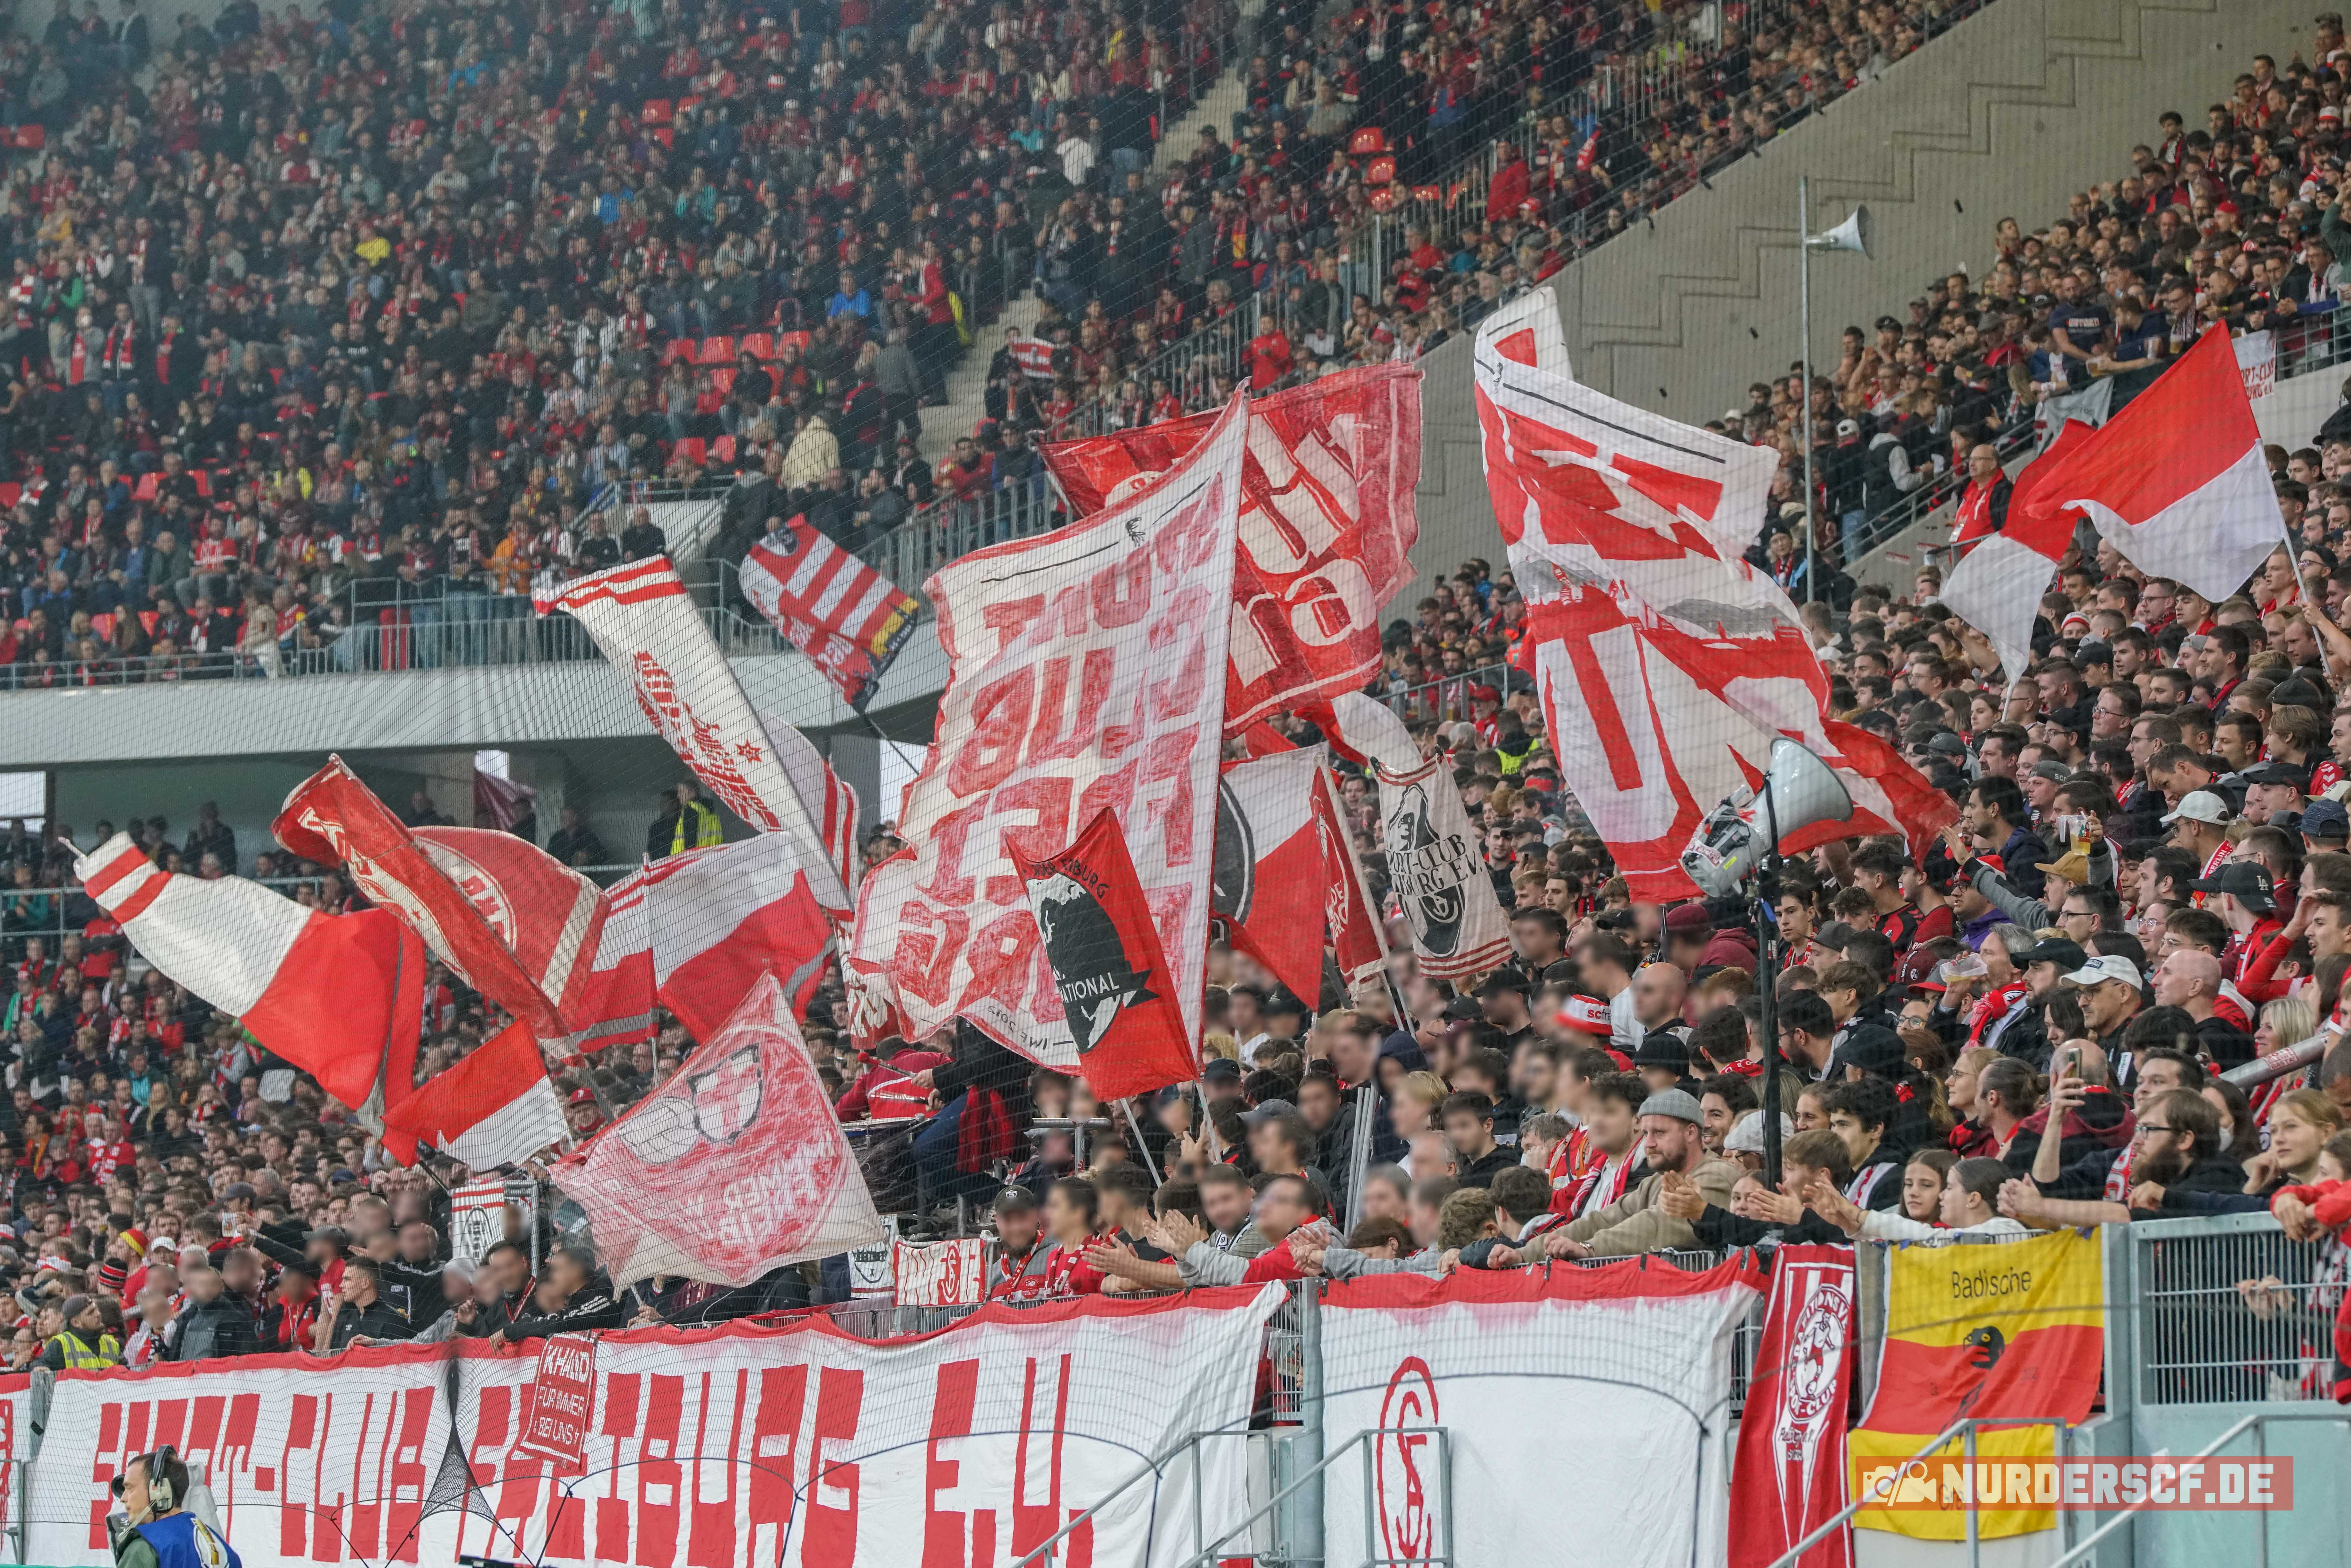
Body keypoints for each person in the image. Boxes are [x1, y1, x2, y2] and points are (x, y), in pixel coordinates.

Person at [109, 1446, 243, 1568]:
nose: (123, 1498)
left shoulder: (145, 1547)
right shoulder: (227, 1552)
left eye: (130, 1488)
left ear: (160, 1491)